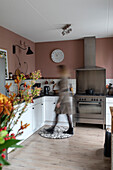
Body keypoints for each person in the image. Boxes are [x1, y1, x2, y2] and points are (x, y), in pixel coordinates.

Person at [46, 65, 73, 134]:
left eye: (59, 70)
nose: (57, 71)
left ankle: (52, 129)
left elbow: (63, 91)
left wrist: (59, 102)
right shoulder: (65, 78)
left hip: (63, 101)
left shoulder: (63, 79)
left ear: (61, 70)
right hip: (66, 100)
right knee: (66, 115)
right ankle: (70, 129)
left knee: (57, 114)